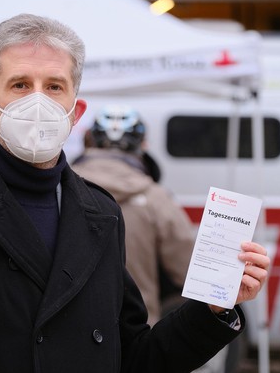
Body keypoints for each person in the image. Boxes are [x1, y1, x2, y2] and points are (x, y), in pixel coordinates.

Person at [0, 13, 269, 373]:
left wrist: (214, 309)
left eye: (54, 86)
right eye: (19, 84)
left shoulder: (101, 215)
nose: (38, 101)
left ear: (76, 109)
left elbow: (136, 362)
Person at [72, 105, 195, 325]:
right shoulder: (156, 198)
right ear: (143, 145)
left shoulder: (59, 188)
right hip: (133, 329)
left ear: (89, 140)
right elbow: (188, 271)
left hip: (67, 329)